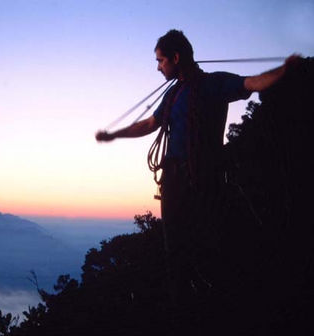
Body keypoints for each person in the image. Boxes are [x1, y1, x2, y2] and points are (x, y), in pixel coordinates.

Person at [95, 29, 300, 328]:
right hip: (175, 180)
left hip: (206, 179)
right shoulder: (173, 93)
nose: (158, 67)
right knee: (175, 247)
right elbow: (150, 124)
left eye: (161, 60)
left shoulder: (215, 83)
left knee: (205, 244)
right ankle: (186, 313)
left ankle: (212, 312)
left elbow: (252, 83)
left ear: (176, 58)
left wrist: (284, 70)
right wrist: (115, 135)